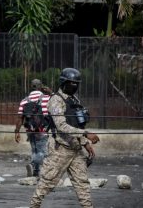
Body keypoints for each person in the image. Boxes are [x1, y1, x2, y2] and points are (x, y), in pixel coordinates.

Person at [30, 68, 100, 208]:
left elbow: (76, 125)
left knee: (82, 184)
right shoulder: (56, 100)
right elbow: (61, 126)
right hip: (60, 149)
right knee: (46, 183)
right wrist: (86, 134)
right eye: (71, 83)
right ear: (63, 83)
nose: (74, 86)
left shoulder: (74, 100)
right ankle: (34, 206)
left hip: (76, 149)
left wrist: (84, 142)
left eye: (76, 84)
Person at [14, 79, 52, 177]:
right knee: (42, 151)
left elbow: (20, 117)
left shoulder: (24, 100)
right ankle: (32, 164)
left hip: (29, 130)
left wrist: (17, 132)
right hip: (42, 129)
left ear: (32, 87)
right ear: (40, 86)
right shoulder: (47, 98)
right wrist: (51, 92)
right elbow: (58, 103)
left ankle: (36, 171)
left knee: (35, 150)